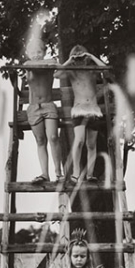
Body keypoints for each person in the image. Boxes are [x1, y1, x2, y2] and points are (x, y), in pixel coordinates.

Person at [59, 45, 108, 184]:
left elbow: (105, 69)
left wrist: (91, 56)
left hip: (93, 110)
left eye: (81, 56)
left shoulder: (92, 71)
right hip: (79, 109)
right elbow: (56, 74)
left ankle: (90, 174)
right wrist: (70, 60)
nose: (79, 59)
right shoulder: (71, 72)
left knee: (91, 144)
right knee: (79, 141)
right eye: (77, 57)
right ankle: (76, 172)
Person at [23, 39, 63, 183]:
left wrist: (52, 62)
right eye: (33, 52)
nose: (36, 55)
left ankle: (59, 173)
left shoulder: (49, 64)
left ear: (44, 52)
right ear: (28, 53)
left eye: (39, 51)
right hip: (34, 107)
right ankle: (45, 174)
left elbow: (60, 68)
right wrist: (46, 63)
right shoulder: (28, 65)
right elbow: (28, 65)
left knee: (53, 137)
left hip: (48, 105)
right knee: (40, 140)